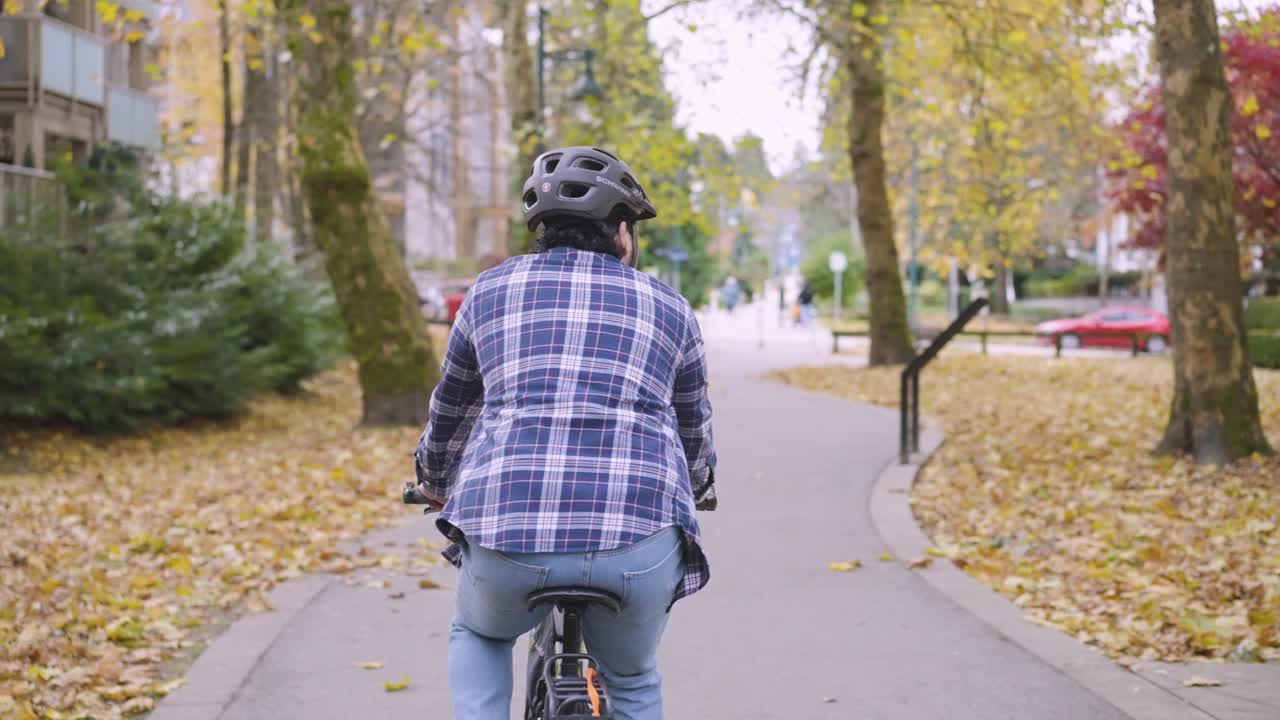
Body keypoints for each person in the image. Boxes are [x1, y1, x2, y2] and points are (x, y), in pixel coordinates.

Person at [412, 146, 718, 720]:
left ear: (539, 230)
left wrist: (432, 479)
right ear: (622, 233)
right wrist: (698, 484)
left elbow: (450, 410)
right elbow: (692, 427)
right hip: (638, 539)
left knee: (479, 635)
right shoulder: (670, 307)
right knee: (632, 680)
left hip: (507, 534)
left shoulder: (488, 292)